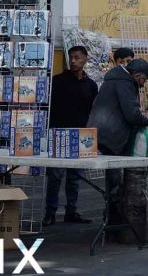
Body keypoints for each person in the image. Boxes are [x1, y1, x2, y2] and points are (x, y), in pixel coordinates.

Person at [43, 46, 97, 226]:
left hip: (81, 134)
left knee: (75, 176)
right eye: (71, 57)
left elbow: (93, 111)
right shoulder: (58, 81)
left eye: (77, 57)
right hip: (59, 132)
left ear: (85, 59)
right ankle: (50, 212)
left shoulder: (91, 85)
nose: (73, 61)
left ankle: (71, 211)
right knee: (55, 175)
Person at [88, 59, 148, 197]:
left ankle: (112, 212)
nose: (143, 83)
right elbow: (132, 115)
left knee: (112, 177)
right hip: (113, 136)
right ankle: (115, 215)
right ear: (137, 75)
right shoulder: (125, 84)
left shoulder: (113, 80)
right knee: (116, 179)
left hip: (99, 134)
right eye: (144, 79)